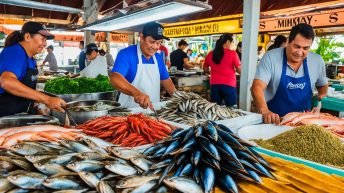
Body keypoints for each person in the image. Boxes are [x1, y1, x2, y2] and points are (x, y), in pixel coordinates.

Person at [251, 23, 328, 124]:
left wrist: (319, 100)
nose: (300, 52)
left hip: (303, 124)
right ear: (288, 41)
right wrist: (264, 110)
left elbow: (323, 86)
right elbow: (257, 87)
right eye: (297, 46)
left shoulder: (317, 61)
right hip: (274, 121)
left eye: (305, 48)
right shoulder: (271, 57)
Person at [0, 21, 66, 117]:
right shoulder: (15, 52)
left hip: (20, 114)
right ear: (27, 37)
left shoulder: (31, 58)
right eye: (42, 39)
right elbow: (7, 82)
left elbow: (25, 90)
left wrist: (36, 105)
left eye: (46, 40)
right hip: (5, 117)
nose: (45, 44)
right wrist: (47, 99)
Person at [110, 22, 176, 109]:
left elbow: (166, 80)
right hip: (128, 113)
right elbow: (115, 78)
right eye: (152, 42)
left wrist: (180, 98)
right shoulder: (126, 54)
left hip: (153, 113)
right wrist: (136, 93)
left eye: (159, 43)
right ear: (141, 38)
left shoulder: (158, 58)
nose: (156, 47)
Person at [203, 33, 241, 107]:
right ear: (227, 42)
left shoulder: (211, 53)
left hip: (214, 85)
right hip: (229, 85)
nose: (232, 45)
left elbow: (205, 68)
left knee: (215, 109)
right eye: (232, 42)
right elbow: (239, 70)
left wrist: (211, 72)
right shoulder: (233, 54)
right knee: (231, 109)